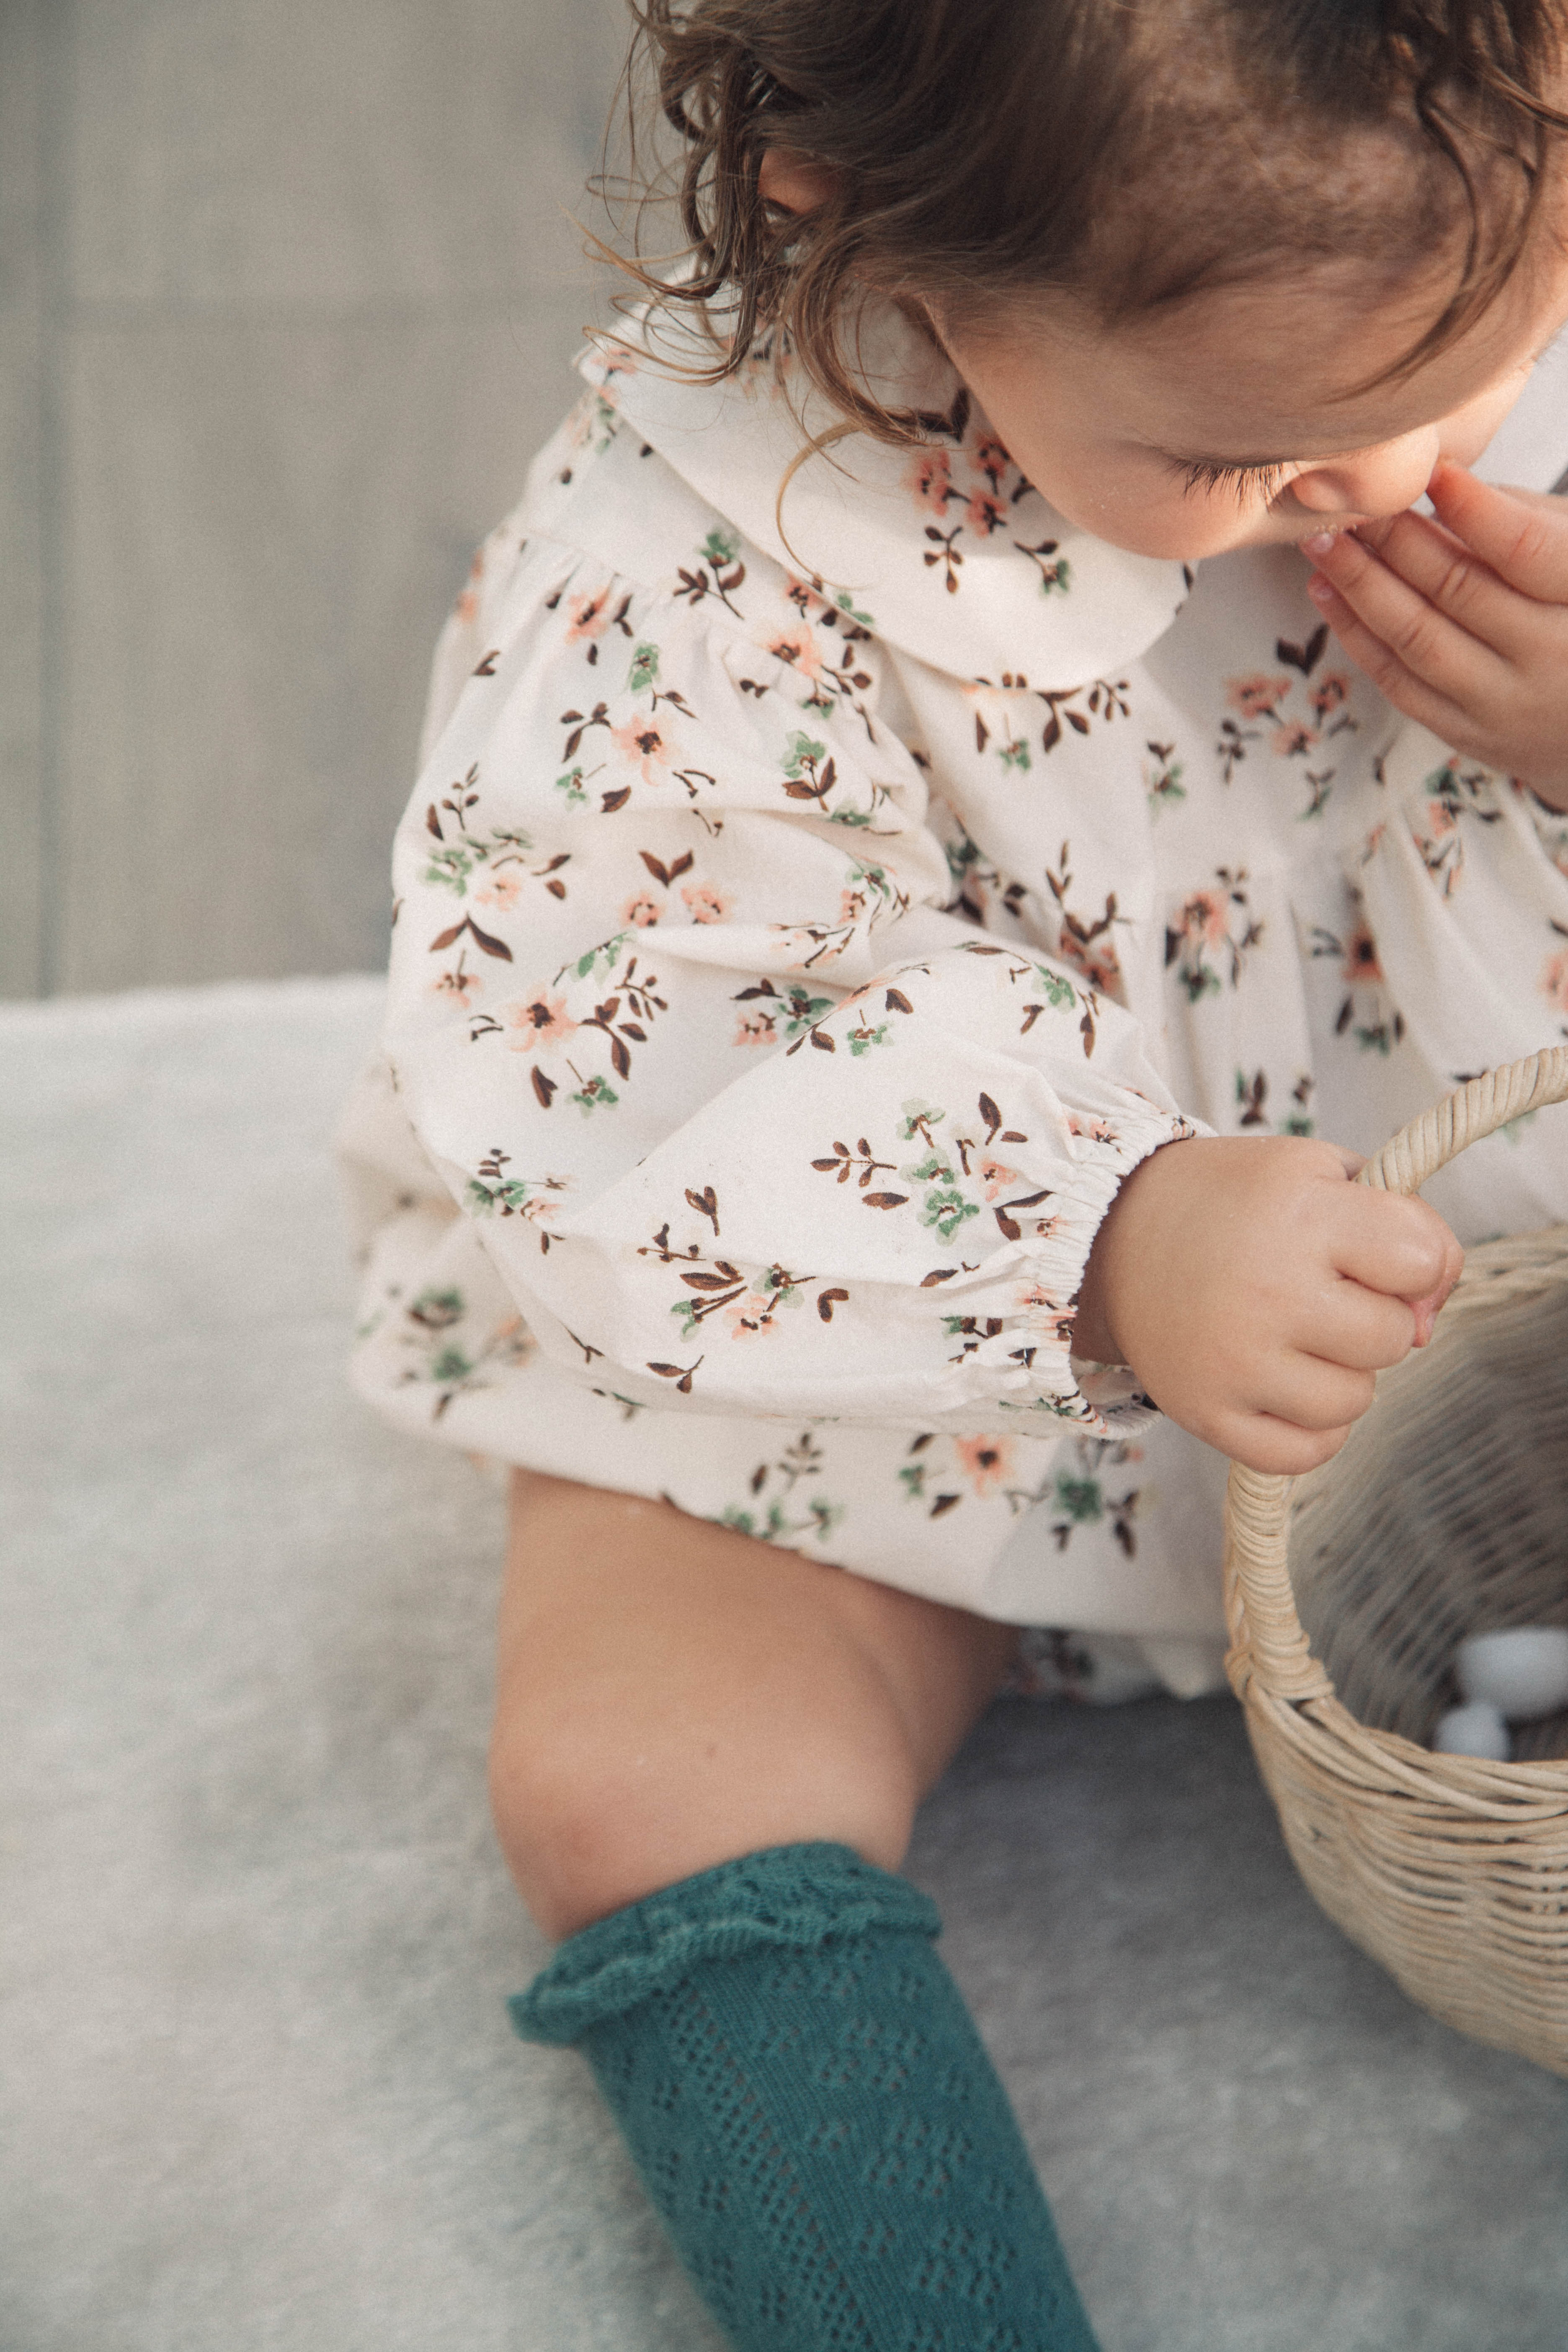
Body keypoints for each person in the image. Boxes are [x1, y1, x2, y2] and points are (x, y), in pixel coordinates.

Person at [337, 3, 1568, 2341]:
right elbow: (668, 1021)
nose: (1395, 483)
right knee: (632, 1774)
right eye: (1244, 456)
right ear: (865, 228)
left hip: (1467, 1302)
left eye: (1473, 374)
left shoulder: (1492, 217)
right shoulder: (712, 563)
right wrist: (1112, 1229)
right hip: (922, 1328)